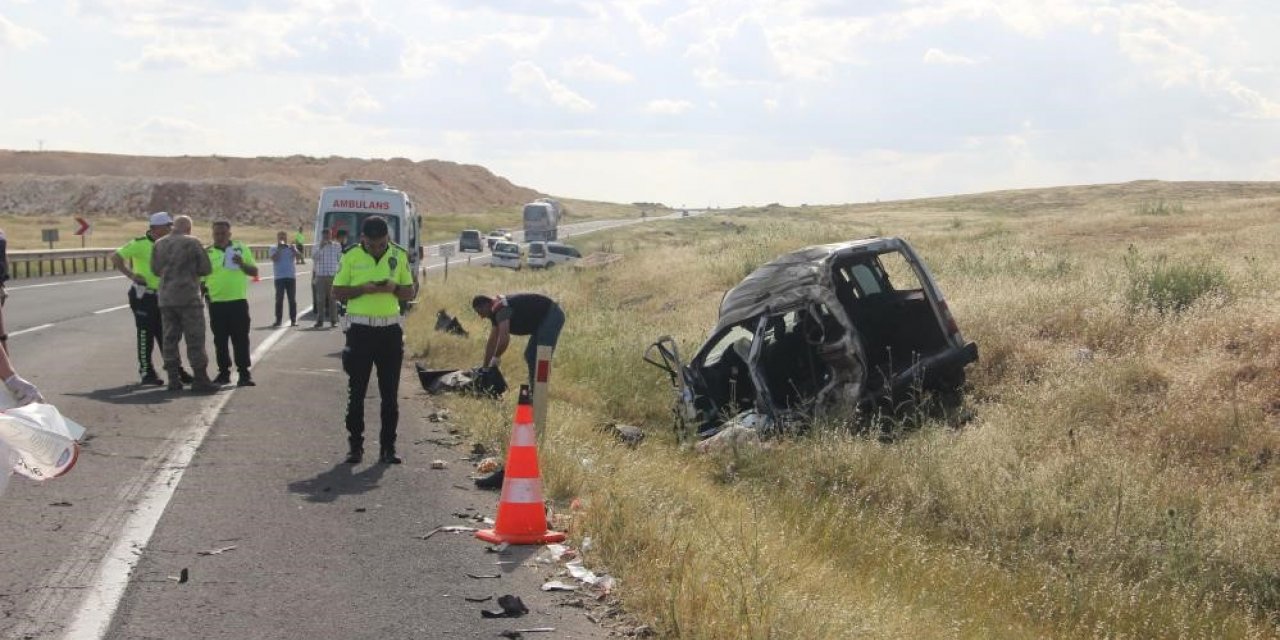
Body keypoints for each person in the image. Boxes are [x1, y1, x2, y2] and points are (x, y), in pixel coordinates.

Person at [332, 216, 415, 465]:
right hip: (360, 332)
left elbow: (410, 291)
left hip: (389, 332)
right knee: (356, 392)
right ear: (363, 239)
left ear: (387, 239)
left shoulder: (398, 256)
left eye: (381, 244)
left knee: (389, 394)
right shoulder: (350, 256)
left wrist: (393, 289)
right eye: (372, 244)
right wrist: (362, 289)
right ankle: (355, 447)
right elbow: (337, 291)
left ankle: (388, 448)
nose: (377, 248)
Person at [113, 212, 191, 387]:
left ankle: (175, 370)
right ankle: (147, 371)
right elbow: (116, 257)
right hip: (144, 296)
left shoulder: (171, 243)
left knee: (168, 335)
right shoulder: (140, 244)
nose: (171, 228)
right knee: (145, 333)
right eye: (167, 226)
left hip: (165, 295)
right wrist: (131, 275)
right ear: (156, 228)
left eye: (171, 225)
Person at [152, 215, 217, 392]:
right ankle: (200, 378)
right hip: (188, 297)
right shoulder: (192, 242)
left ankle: (173, 379)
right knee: (195, 338)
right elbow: (206, 269)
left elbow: (155, 270)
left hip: (166, 298)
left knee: (170, 339)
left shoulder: (159, 244)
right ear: (188, 228)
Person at [204, 220, 259, 386]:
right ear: (213, 234)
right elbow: (201, 279)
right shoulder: (207, 253)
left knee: (241, 339)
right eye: (216, 233)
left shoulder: (240, 248)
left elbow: (254, 272)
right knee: (220, 340)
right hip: (217, 303)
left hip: (238, 302)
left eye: (223, 233)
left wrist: (242, 264)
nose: (220, 236)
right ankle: (223, 373)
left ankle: (244, 374)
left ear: (230, 234)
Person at [471, 293, 565, 389]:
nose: (481, 317)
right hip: (541, 322)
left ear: (486, 305)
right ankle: (534, 390)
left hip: (551, 316)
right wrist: (485, 368)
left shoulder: (501, 310)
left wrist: (496, 358)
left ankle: (540, 392)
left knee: (542, 357)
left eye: (480, 312)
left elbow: (504, 339)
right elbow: (492, 341)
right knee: (531, 355)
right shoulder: (494, 310)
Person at [311, 229, 341, 328]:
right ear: (322, 236)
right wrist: (321, 247)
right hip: (320, 276)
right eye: (325, 236)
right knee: (320, 300)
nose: (326, 237)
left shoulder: (336, 246)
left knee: (333, 299)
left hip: (333, 275)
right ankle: (320, 321)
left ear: (331, 235)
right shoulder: (317, 246)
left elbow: (340, 259)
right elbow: (314, 257)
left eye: (328, 235)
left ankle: (334, 320)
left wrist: (339, 274)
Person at [269, 231, 298, 327]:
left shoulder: (290, 248)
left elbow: (300, 258)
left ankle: (293, 320)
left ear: (286, 238)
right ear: (277, 238)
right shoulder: (273, 248)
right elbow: (274, 259)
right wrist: (279, 249)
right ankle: (278, 320)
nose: (282, 239)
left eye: (284, 238)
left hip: (290, 277)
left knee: (292, 299)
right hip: (279, 277)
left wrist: (294, 249)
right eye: (280, 238)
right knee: (279, 299)